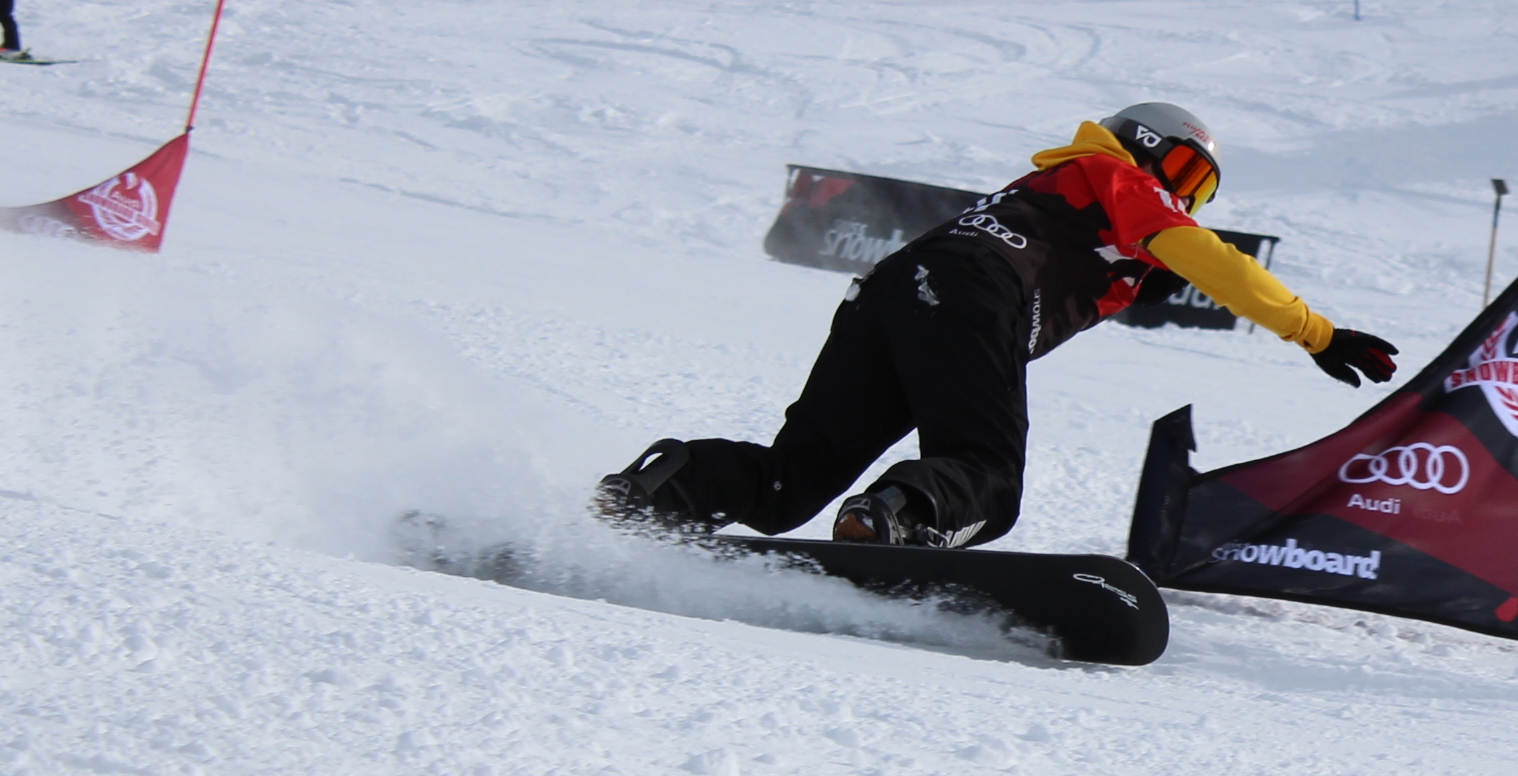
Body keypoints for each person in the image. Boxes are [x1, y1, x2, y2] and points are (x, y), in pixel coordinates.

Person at [597, 103, 1400, 549]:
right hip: (972, 291)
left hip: (894, 292)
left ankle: (660, 492)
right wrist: (1316, 333)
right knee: (987, 477)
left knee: (792, 483)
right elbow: (1203, 254)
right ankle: (894, 520)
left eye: (1199, 186)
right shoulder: (1111, 175)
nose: (1183, 196)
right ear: (1147, 148)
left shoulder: (1057, 192)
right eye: (1185, 172)